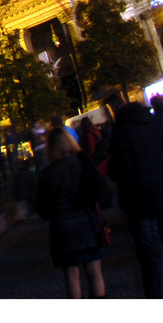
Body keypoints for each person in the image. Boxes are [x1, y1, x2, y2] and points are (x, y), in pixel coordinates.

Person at [105, 89, 163, 298]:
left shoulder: (121, 131)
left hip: (140, 203)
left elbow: (121, 170)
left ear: (113, 110)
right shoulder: (154, 121)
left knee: (151, 257)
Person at [34, 126, 112, 298]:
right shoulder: (82, 163)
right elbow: (101, 191)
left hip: (63, 230)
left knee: (71, 276)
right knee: (94, 271)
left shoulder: (46, 174)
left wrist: (56, 214)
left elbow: (41, 207)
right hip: (88, 223)